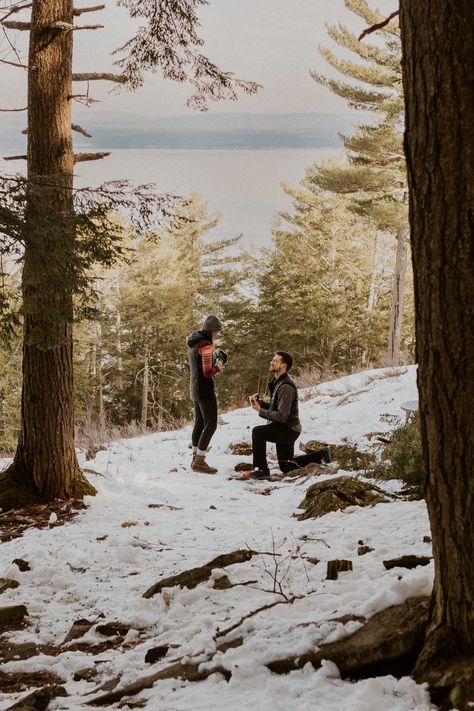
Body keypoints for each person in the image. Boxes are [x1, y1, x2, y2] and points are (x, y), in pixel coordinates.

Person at [246, 351, 331, 479]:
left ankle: (261, 470)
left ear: (284, 366)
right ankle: (322, 455)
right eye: (272, 360)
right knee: (286, 466)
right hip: (286, 428)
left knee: (258, 432)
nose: (271, 362)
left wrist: (260, 411)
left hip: (288, 429)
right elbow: (278, 408)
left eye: (275, 361)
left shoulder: (285, 386)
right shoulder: (279, 382)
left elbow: (282, 416)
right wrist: (261, 404)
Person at [187, 314, 227, 474]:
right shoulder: (205, 344)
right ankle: (200, 460)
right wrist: (220, 364)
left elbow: (201, 365)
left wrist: (215, 359)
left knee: (199, 422)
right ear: (212, 330)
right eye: (217, 331)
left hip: (195, 387)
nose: (217, 334)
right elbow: (208, 371)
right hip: (205, 389)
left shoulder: (194, 341)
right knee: (211, 424)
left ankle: (195, 456)